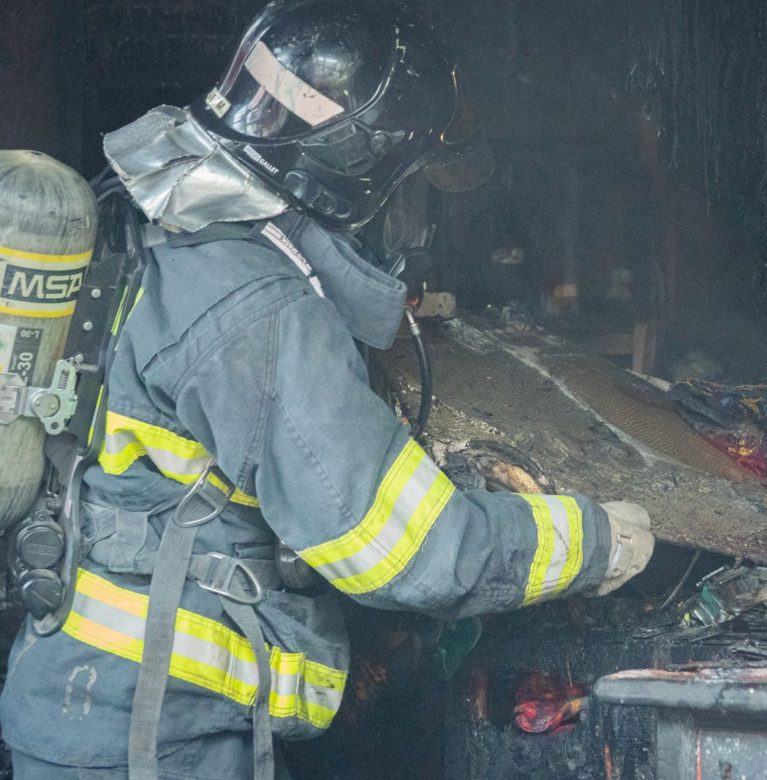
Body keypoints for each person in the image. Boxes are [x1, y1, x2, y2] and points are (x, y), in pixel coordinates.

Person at [0, 1, 654, 777]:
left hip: (75, 694)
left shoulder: (149, 214)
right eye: (406, 186)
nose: (412, 215)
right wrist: (597, 541)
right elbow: (404, 552)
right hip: (151, 733)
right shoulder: (259, 306)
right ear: (358, 171)